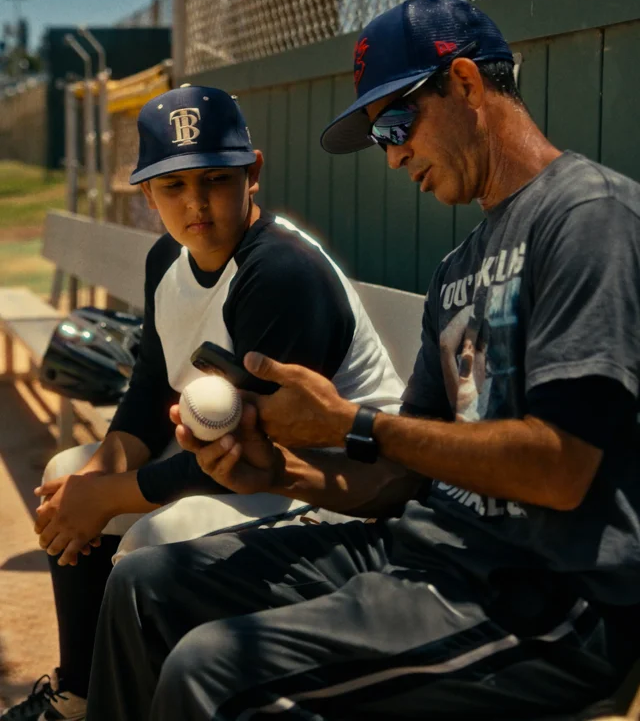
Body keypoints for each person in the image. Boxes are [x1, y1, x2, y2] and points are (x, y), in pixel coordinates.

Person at [86, 0, 640, 721]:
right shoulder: (458, 268)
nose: (393, 152)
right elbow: (402, 481)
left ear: (467, 86)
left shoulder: (586, 216)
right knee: (143, 588)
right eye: (379, 137)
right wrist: (280, 470)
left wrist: (352, 424)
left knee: (213, 672)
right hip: (424, 552)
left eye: (396, 123)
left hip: (546, 598)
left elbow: (562, 467)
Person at [2, 86, 404, 721]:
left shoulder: (280, 270)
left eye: (216, 178)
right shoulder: (169, 257)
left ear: (253, 173)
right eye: (172, 186)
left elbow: (253, 451)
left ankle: (132, 705)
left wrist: (110, 496)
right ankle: (80, 697)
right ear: (147, 195)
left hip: (332, 487)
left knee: (150, 538)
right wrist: (97, 475)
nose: (195, 202)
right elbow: (148, 391)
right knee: (64, 475)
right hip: (244, 465)